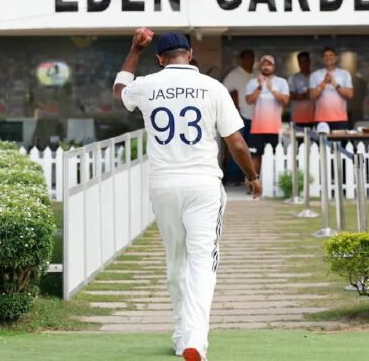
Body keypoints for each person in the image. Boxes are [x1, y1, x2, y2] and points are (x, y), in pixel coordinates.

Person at [113, 29, 260, 361]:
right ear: (190, 54)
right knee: (201, 262)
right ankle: (194, 338)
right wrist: (252, 176)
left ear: (160, 59)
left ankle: (182, 334)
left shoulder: (148, 84)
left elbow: (119, 90)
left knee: (176, 261)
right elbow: (236, 142)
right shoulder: (213, 87)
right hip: (203, 185)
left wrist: (134, 50)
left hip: (164, 185)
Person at [245, 55, 290, 174]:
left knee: (277, 155)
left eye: (269, 64)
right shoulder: (253, 82)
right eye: (264, 64)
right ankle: (253, 186)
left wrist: (272, 90)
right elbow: (248, 101)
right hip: (257, 128)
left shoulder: (281, 82)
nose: (266, 67)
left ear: (273, 67)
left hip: (275, 128)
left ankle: (277, 184)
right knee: (255, 155)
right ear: (260, 66)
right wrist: (259, 87)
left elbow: (285, 101)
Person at [222, 49, 256, 183]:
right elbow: (223, 91)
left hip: (256, 117)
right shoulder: (234, 75)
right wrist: (233, 104)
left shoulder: (257, 74)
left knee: (251, 149)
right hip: (239, 116)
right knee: (236, 147)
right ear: (241, 60)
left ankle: (247, 177)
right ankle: (233, 177)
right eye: (247, 58)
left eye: (252, 58)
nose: (250, 61)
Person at [308, 47, 354, 131]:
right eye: (325, 56)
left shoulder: (344, 74)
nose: (328, 58)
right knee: (322, 144)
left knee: (341, 144)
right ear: (322, 59)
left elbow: (350, 95)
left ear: (336, 58)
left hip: (340, 119)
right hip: (321, 120)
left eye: (331, 55)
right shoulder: (315, 75)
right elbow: (312, 96)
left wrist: (335, 84)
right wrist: (324, 83)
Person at [289, 52, 316, 129]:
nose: (303, 64)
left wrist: (308, 94)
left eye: (305, 61)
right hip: (297, 118)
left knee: (313, 140)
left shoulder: (315, 77)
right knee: (298, 140)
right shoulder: (293, 78)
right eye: (301, 62)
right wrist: (305, 95)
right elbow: (290, 96)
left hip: (313, 118)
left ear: (309, 62)